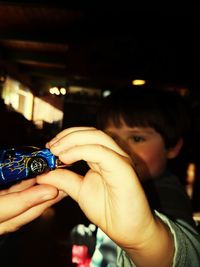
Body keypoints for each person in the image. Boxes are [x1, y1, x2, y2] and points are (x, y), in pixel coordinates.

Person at [36, 87, 200, 267]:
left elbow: (187, 255)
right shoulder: (100, 180)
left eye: (137, 138)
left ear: (173, 147)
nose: (122, 149)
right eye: (113, 138)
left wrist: (145, 241)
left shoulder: (167, 193)